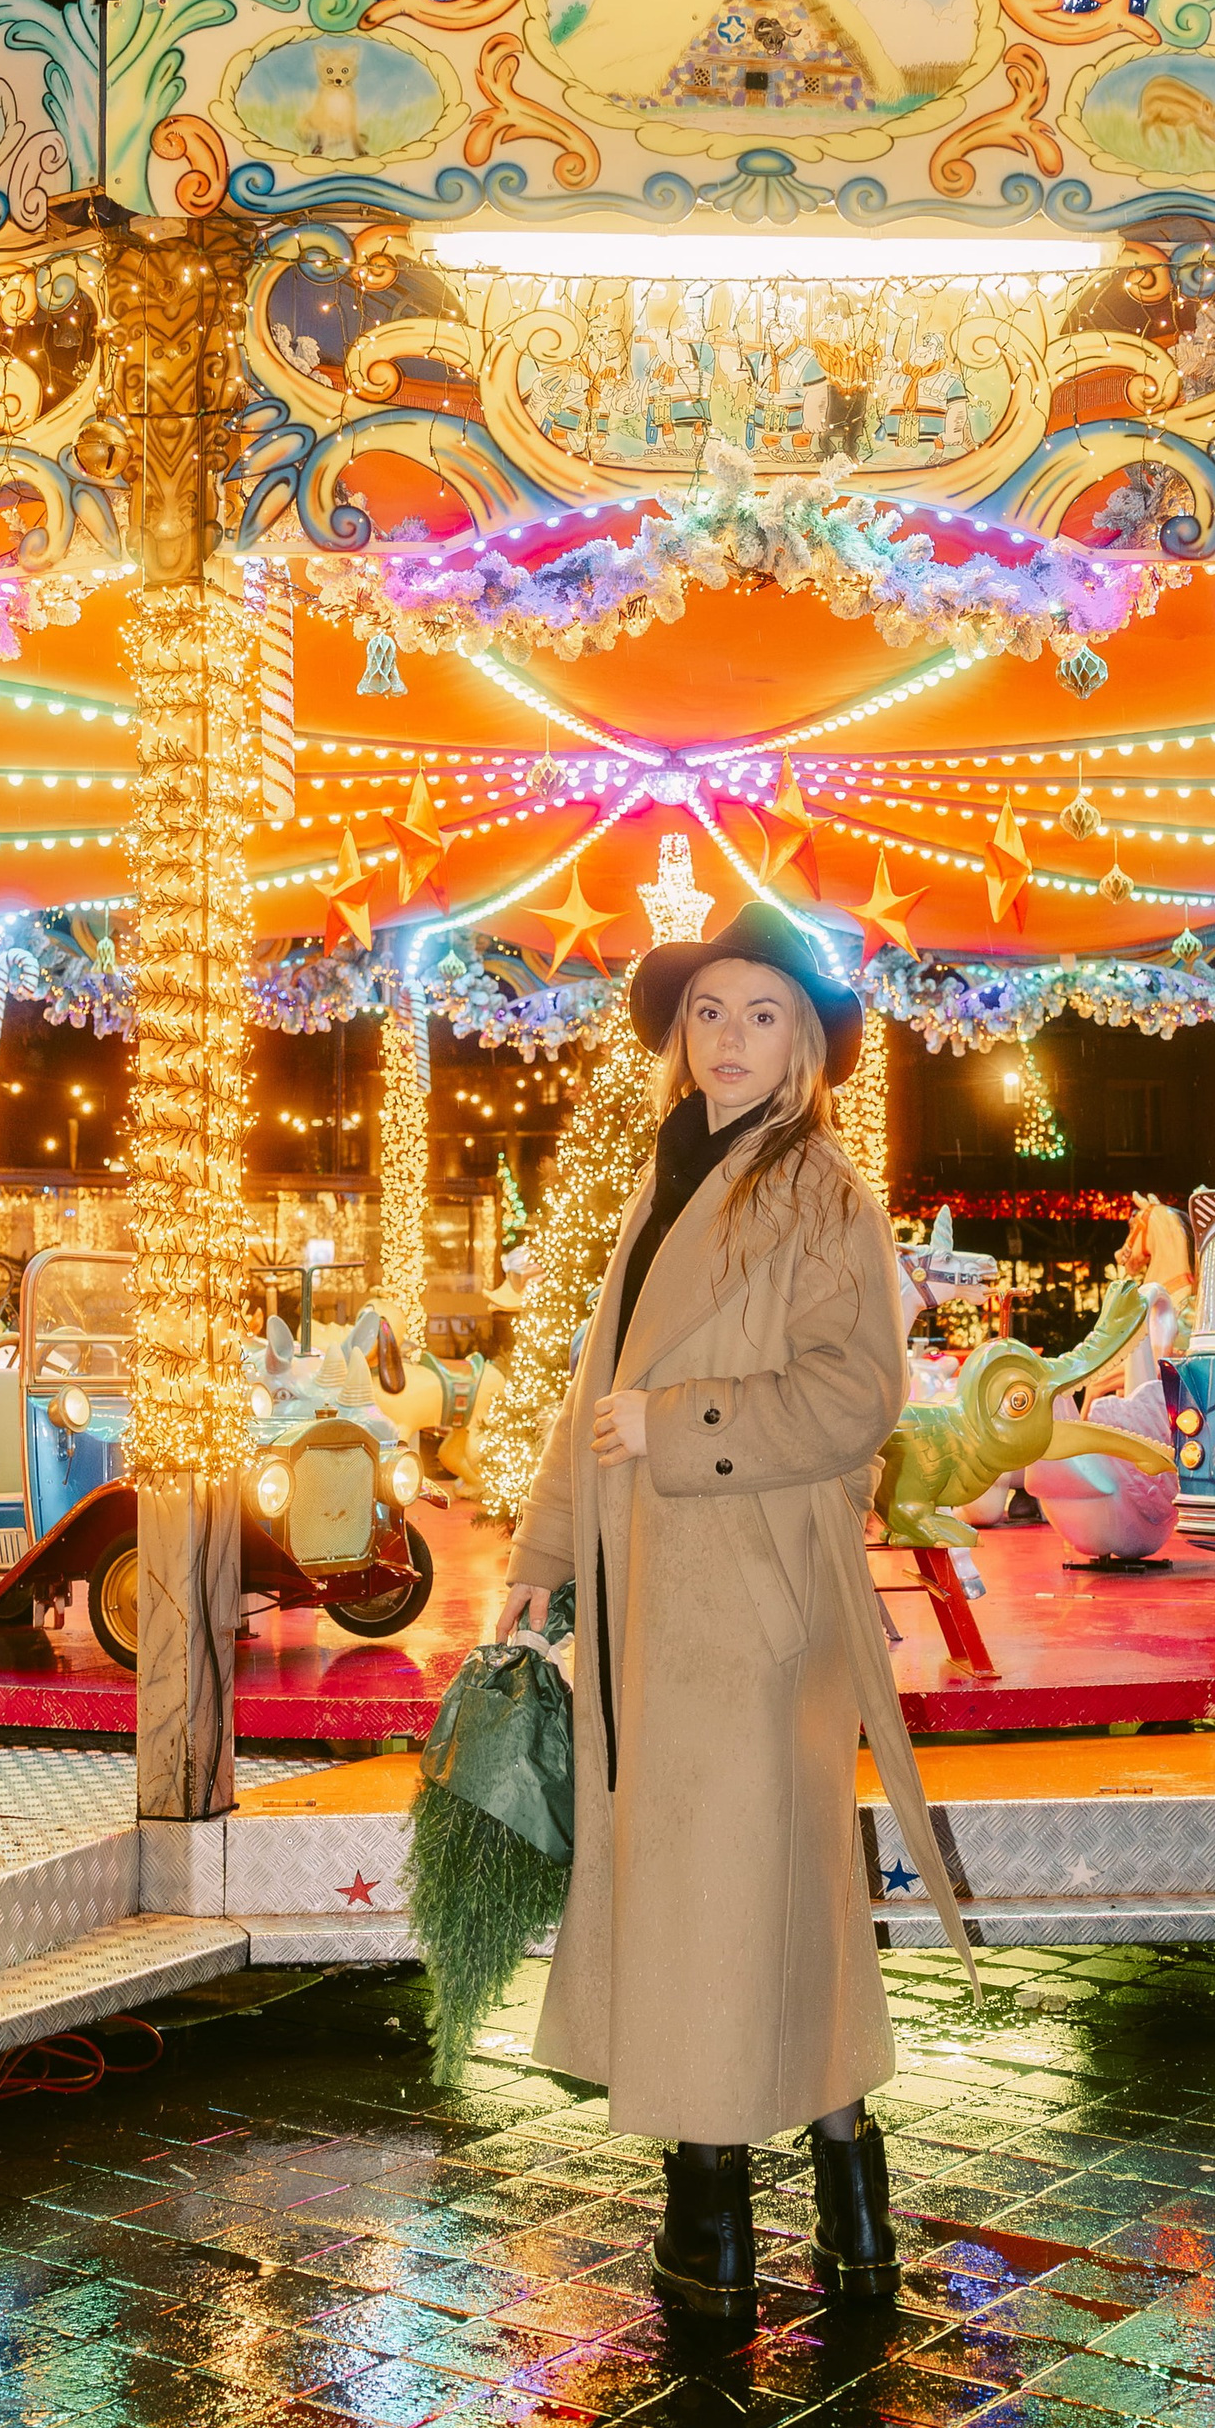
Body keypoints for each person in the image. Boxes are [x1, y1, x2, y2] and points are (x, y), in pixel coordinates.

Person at [500, 900, 975, 2321]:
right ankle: (849, 2181)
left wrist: (684, 1421)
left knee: (730, 1898)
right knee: (769, 1902)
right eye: (709, 1011)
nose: (729, 1039)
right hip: (662, 1594)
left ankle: (710, 2211)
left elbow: (856, 1395)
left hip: (750, 1596)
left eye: (761, 1014)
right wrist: (544, 1547)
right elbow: (599, 1395)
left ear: (805, 1046)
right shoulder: (667, 1180)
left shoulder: (819, 1188)